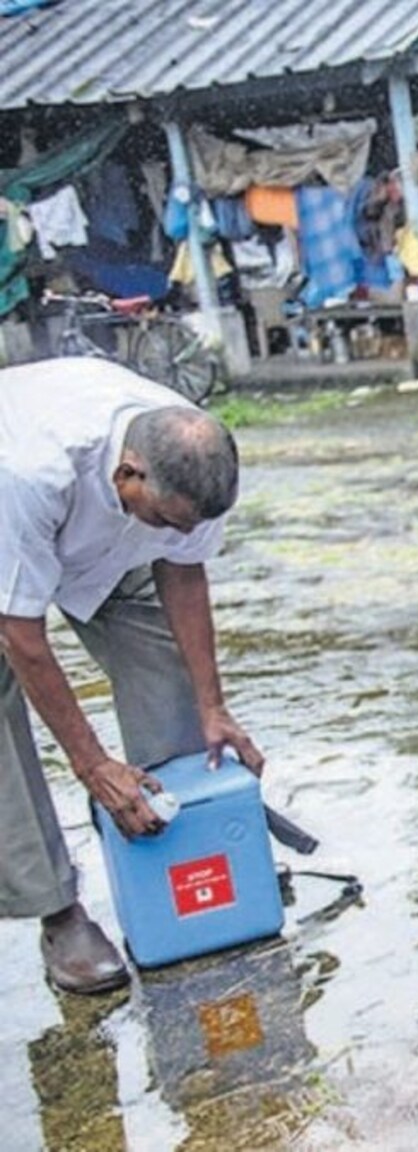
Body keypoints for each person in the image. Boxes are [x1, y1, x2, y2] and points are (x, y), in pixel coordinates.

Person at [0, 357, 262, 995]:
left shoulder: (190, 468)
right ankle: (57, 910)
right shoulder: (29, 469)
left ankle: (184, 848)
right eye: (169, 521)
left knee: (167, 669)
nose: (183, 532)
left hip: (100, 537)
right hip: (9, 527)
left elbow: (183, 569)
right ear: (126, 474)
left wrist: (213, 706)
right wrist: (94, 767)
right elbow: (22, 637)